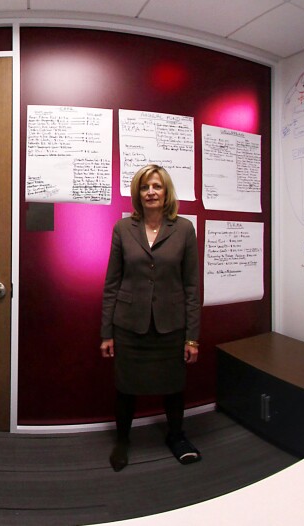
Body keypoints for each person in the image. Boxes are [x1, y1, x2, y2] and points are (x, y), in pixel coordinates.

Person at [100, 164, 201, 472]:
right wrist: (106, 333)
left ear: (166, 191)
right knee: (125, 387)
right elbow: (112, 283)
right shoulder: (123, 229)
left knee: (174, 386)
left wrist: (192, 336)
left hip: (171, 325)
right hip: (129, 324)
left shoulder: (184, 229)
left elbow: (192, 286)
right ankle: (122, 441)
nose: (151, 192)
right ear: (137, 194)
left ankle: (177, 436)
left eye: (156, 186)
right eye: (145, 187)